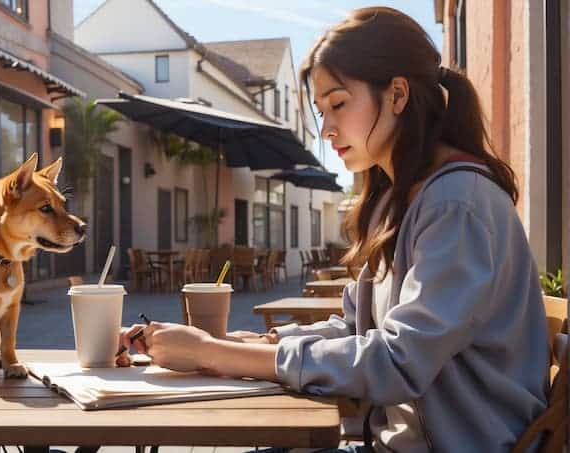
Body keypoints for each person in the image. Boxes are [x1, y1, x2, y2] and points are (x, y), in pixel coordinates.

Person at [117, 7, 549, 453]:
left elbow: (397, 362)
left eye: (339, 104)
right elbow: (357, 331)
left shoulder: (457, 204)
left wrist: (213, 354)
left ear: (398, 94)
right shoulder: (399, 200)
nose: (326, 129)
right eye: (322, 111)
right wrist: (244, 341)